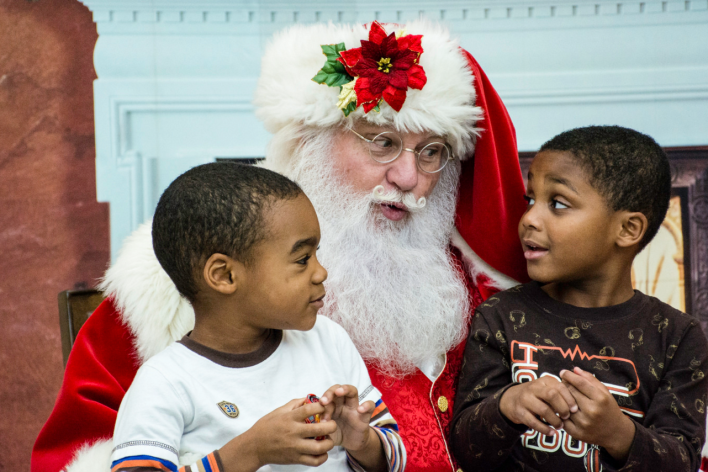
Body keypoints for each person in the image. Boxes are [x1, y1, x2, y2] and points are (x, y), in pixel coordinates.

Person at [33, 20, 529, 472]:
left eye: (432, 152)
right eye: (381, 143)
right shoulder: (172, 282)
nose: (408, 177)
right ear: (309, 143)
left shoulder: (469, 290)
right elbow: (74, 457)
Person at [110, 162, 404, 472]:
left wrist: (361, 440)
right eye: (302, 259)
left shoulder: (329, 339)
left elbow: (394, 453)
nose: (321, 272)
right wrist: (252, 450)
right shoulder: (166, 381)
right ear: (225, 275)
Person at [450, 126, 708, 472]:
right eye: (530, 199)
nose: (528, 219)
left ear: (628, 229)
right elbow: (462, 450)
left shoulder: (678, 338)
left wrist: (618, 434)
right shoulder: (500, 316)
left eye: (557, 203)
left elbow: (682, 461)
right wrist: (507, 406)